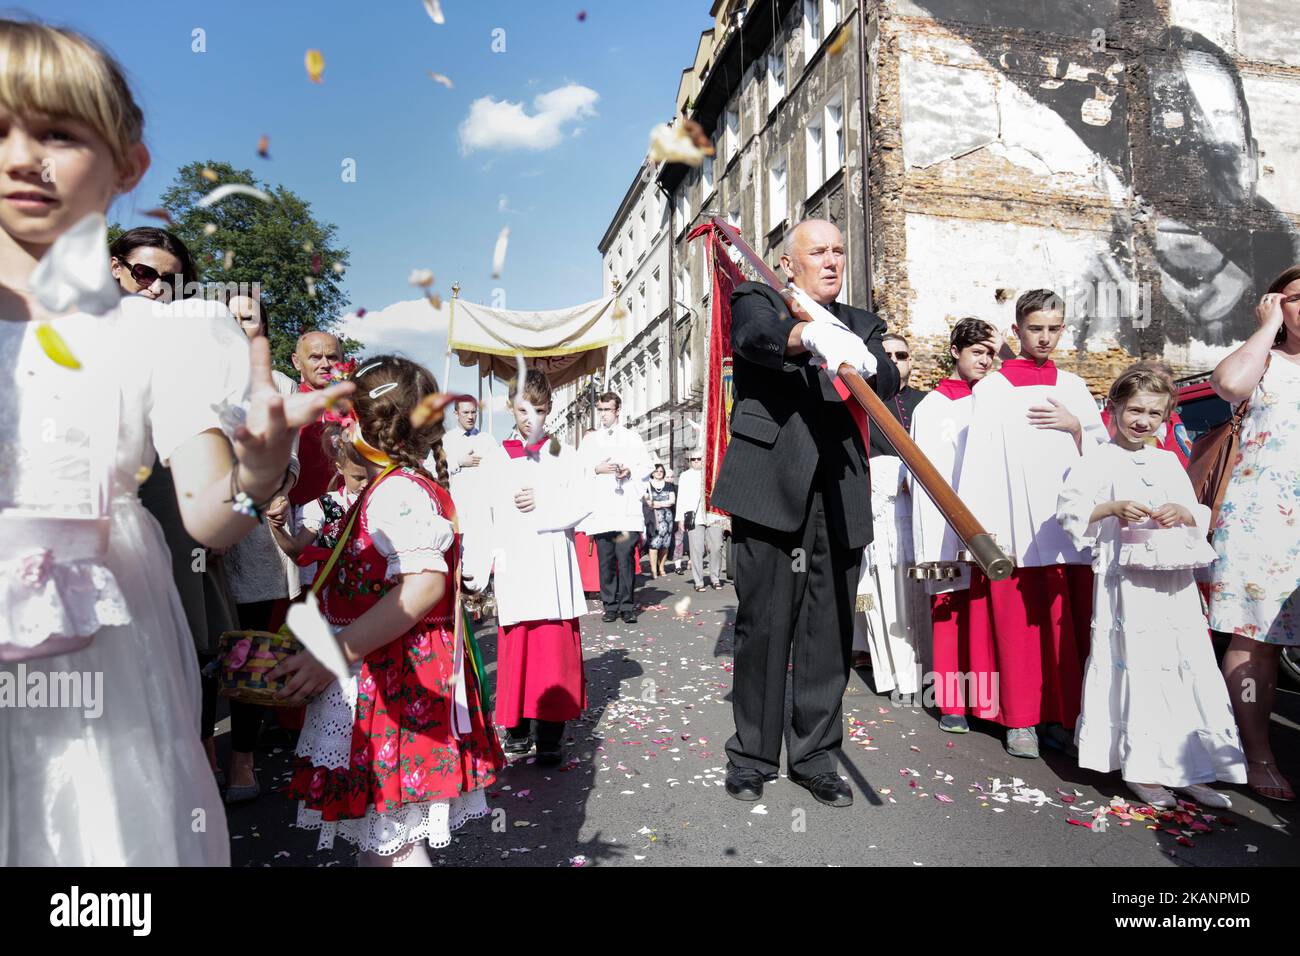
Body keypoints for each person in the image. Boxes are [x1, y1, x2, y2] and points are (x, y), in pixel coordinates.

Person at [0, 16, 351, 864]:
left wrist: (261, 470)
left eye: (56, 131)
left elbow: (208, 516)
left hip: (105, 647)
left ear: (127, 163)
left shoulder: (164, 333)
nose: (21, 157)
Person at [271, 356, 504, 867]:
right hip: (387, 672)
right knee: (388, 839)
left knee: (391, 841)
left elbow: (423, 587)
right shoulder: (397, 486)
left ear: (371, 426)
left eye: (348, 417)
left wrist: (333, 652)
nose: (341, 427)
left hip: (391, 680)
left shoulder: (396, 491)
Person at [712, 218, 899, 807]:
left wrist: (865, 358)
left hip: (839, 490)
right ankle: (752, 756)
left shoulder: (860, 322)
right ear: (789, 262)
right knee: (763, 626)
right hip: (770, 487)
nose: (832, 260)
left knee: (829, 630)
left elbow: (889, 377)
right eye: (818, 251)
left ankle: (815, 757)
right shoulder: (758, 297)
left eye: (840, 250)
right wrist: (806, 337)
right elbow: (753, 341)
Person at [1058, 363, 1245, 808]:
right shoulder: (1097, 460)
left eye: (1154, 414)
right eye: (1135, 410)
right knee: (1139, 670)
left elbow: (1197, 512)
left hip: (1172, 586)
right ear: (1116, 407)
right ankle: (1143, 766)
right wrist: (1111, 507)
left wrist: (1183, 513)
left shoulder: (1166, 460)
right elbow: (1070, 514)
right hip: (1127, 591)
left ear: (1165, 417)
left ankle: (1190, 767)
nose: (1143, 421)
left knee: (1182, 669)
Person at [111, 228, 242, 789]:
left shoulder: (184, 341)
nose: (158, 289)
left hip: (164, 516)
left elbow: (215, 446)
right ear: (115, 268)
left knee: (185, 649)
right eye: (145, 274)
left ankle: (199, 764)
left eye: (172, 280)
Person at [951, 289, 1106, 758]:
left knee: (1063, 627)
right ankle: (1021, 721)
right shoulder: (993, 388)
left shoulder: (1075, 387)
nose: (1044, 338)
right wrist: (982, 532)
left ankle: (1065, 715)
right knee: (1018, 626)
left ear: (1064, 330)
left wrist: (1077, 428)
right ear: (1016, 331)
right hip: (1014, 526)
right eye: (1034, 329)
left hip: (1066, 530)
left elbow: (1102, 456)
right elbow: (976, 462)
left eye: (1053, 329)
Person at [464, 368, 590, 766]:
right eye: (522, 410)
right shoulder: (496, 457)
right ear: (510, 408)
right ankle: (516, 730)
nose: (530, 418)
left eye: (538, 409)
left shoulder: (564, 454)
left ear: (549, 409)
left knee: (553, 652)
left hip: (552, 566)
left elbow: (584, 502)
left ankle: (550, 734)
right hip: (516, 563)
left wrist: (544, 505)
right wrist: (475, 569)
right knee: (517, 648)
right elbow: (482, 514)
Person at [1206, 267, 1300, 802]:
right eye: (1296, 297)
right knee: (1254, 639)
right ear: (1276, 303)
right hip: (1262, 521)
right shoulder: (1264, 362)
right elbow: (1227, 385)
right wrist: (1266, 328)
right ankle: (1257, 752)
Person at [218, 294, 302, 803]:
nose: (240, 325)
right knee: (202, 647)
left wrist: (282, 489)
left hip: (256, 533)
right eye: (231, 317)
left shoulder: (283, 387)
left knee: (248, 645)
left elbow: (286, 458)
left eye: (250, 317)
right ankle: (202, 754)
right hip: (202, 527)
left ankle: (242, 760)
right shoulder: (194, 377)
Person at [909, 318, 1001, 733]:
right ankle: (950, 702)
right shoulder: (932, 408)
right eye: (977, 352)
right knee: (948, 606)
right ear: (955, 352)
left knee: (984, 612)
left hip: (989, 521)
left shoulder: (996, 401)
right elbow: (921, 475)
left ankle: (986, 701)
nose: (986, 361)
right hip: (944, 522)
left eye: (992, 353)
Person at [852, 332, 930, 698]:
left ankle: (927, 670)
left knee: (922, 592)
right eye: (888, 355)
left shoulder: (929, 406)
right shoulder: (860, 404)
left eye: (903, 354)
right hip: (880, 516)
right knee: (881, 594)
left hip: (923, 515)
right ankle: (892, 672)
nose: (897, 361)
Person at [577, 391, 652, 624]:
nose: (603, 415)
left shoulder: (631, 438)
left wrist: (629, 470)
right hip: (602, 510)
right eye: (600, 410)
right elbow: (577, 469)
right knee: (606, 559)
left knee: (626, 558)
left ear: (617, 410)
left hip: (625, 507)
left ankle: (627, 604)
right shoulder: (590, 441)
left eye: (607, 410)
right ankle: (610, 605)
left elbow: (646, 466)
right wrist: (596, 469)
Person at [272, 429, 371, 590]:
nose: (366, 484)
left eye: (371, 476)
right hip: (335, 596)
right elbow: (297, 550)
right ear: (340, 467)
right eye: (358, 477)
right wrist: (276, 526)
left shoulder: (383, 500)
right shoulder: (323, 507)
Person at [287, 329, 345, 509]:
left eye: (332, 357)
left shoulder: (356, 408)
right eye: (315, 357)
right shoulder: (287, 405)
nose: (325, 364)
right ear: (297, 361)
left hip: (347, 512)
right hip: (298, 513)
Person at [675, 450, 725, 591]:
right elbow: (681, 498)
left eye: (699, 458)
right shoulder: (685, 476)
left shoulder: (713, 473)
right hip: (694, 516)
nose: (696, 461)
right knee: (696, 549)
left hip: (712, 514)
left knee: (716, 547)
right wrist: (680, 519)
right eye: (693, 459)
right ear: (690, 461)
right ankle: (698, 581)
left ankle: (715, 577)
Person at [643, 463, 676, 578]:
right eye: (656, 471)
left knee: (665, 544)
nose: (658, 473)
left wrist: (659, 504)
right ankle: (653, 570)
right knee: (653, 544)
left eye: (661, 471)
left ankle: (661, 567)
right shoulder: (647, 485)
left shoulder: (668, 485)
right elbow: (644, 499)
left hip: (667, 518)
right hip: (653, 517)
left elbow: (672, 500)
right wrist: (651, 504)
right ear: (652, 472)